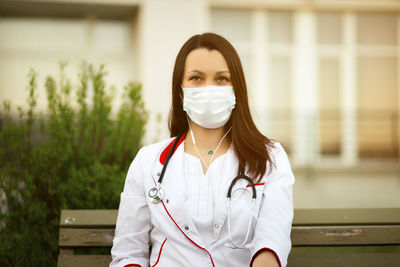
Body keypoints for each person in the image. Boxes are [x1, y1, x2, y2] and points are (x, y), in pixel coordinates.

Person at [110, 33, 295, 267]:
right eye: (196, 78)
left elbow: (272, 239)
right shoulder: (148, 162)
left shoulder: (270, 157)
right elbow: (128, 253)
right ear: (181, 90)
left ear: (236, 88)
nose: (209, 88)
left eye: (221, 79)